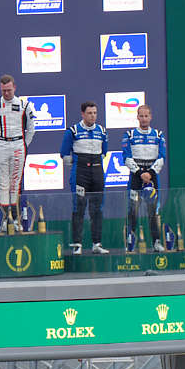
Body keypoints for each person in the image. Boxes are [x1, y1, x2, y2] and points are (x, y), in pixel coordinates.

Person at [0, 74, 36, 233]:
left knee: (15, 183)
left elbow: (31, 129)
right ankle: (5, 220)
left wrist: (24, 145)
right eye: (3, 90)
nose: (6, 93)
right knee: (3, 184)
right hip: (1, 144)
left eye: (9, 90)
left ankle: (15, 219)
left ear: (14, 87)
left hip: (18, 145)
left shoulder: (24, 105)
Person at [61, 99, 109, 253]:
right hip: (80, 172)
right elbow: (64, 154)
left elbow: (104, 152)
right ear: (82, 114)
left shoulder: (102, 131)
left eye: (95, 113)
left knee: (97, 208)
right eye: (89, 113)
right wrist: (78, 163)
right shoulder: (73, 131)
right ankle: (77, 244)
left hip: (97, 170)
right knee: (79, 206)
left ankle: (97, 244)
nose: (93, 116)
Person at [123, 102, 167, 248]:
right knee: (133, 211)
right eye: (141, 116)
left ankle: (156, 242)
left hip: (152, 176)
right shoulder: (129, 135)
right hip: (136, 176)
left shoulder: (158, 135)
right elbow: (126, 158)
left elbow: (162, 157)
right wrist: (140, 173)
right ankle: (130, 242)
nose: (144, 119)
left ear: (150, 117)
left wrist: (150, 172)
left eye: (146, 116)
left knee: (153, 211)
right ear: (137, 117)